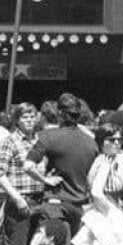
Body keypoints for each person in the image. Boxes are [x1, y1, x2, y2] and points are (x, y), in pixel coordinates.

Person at [24, 92, 98, 235]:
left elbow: (28, 166)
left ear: (59, 113)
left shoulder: (47, 137)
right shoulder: (91, 143)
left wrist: (45, 179)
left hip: (55, 204)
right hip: (80, 206)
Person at [0, 102, 44, 245]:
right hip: (21, 201)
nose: (30, 120)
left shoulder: (40, 141)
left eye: (32, 116)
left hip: (41, 199)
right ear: (17, 120)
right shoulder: (9, 142)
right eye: (25, 117)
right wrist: (16, 198)